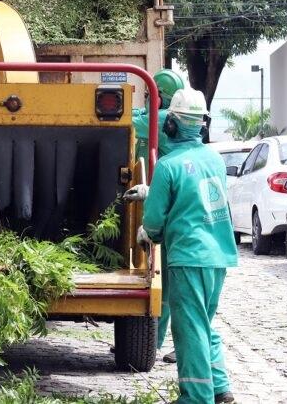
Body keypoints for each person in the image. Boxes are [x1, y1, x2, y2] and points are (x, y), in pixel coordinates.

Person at [127, 88, 239, 404]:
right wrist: (153, 190)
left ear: (172, 125)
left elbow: (154, 222)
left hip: (188, 257)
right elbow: (195, 194)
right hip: (218, 256)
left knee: (188, 330)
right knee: (202, 322)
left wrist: (147, 233)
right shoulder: (214, 159)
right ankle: (219, 388)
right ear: (202, 125)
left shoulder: (168, 166)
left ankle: (197, 397)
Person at [131, 68, 184, 364]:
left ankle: (162, 342)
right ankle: (156, 341)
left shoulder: (161, 119)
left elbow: (131, 121)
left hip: (165, 209)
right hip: (168, 207)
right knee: (165, 281)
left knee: (168, 284)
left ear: (162, 97)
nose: (149, 99)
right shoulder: (171, 119)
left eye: (152, 95)